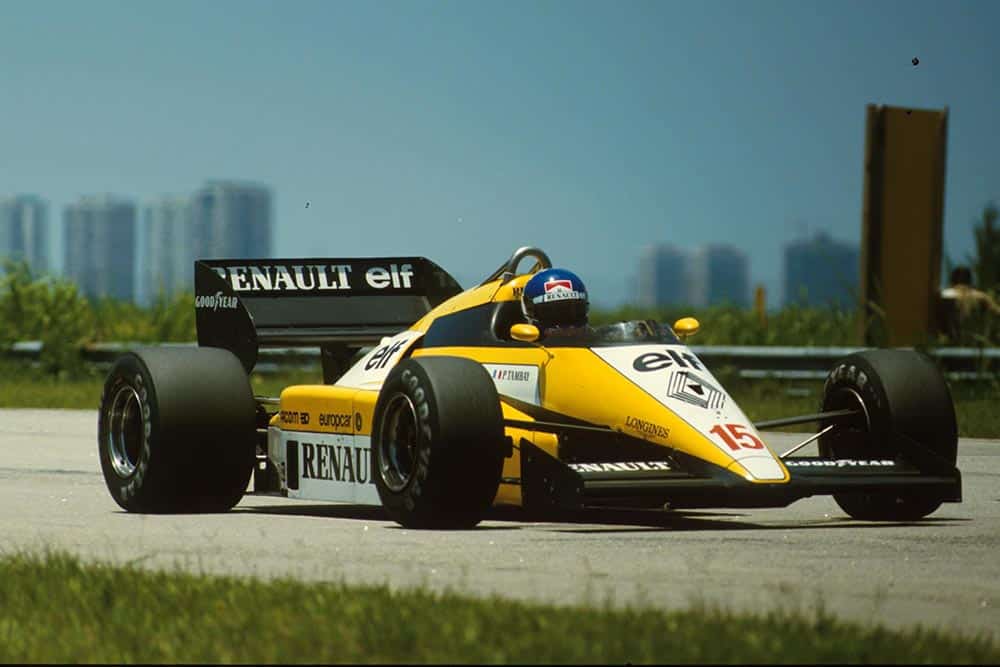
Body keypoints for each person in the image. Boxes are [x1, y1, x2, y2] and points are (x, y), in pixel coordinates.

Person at [520, 268, 591, 338]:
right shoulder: (520, 348)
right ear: (529, 311)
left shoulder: (599, 344)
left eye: (575, 310)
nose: (568, 328)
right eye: (549, 311)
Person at [939, 266, 1000, 342]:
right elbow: (997, 311)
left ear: (952, 279)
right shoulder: (981, 297)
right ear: (970, 280)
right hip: (975, 341)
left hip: (949, 340)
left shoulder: (944, 295)